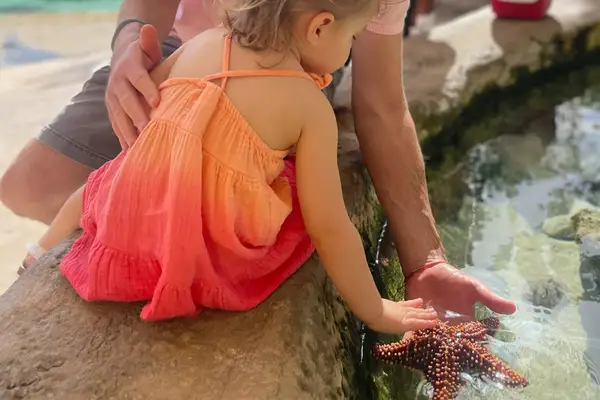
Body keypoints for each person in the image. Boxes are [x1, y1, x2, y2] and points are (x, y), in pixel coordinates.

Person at [0, 0, 517, 322]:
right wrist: (377, 310)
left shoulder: (204, 42)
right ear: (319, 29)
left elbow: (145, 128)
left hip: (126, 217)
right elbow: (330, 226)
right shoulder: (308, 108)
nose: (351, 52)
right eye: (351, 40)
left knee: (108, 178)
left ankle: (40, 252)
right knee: (292, 207)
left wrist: (425, 257)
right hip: (198, 263)